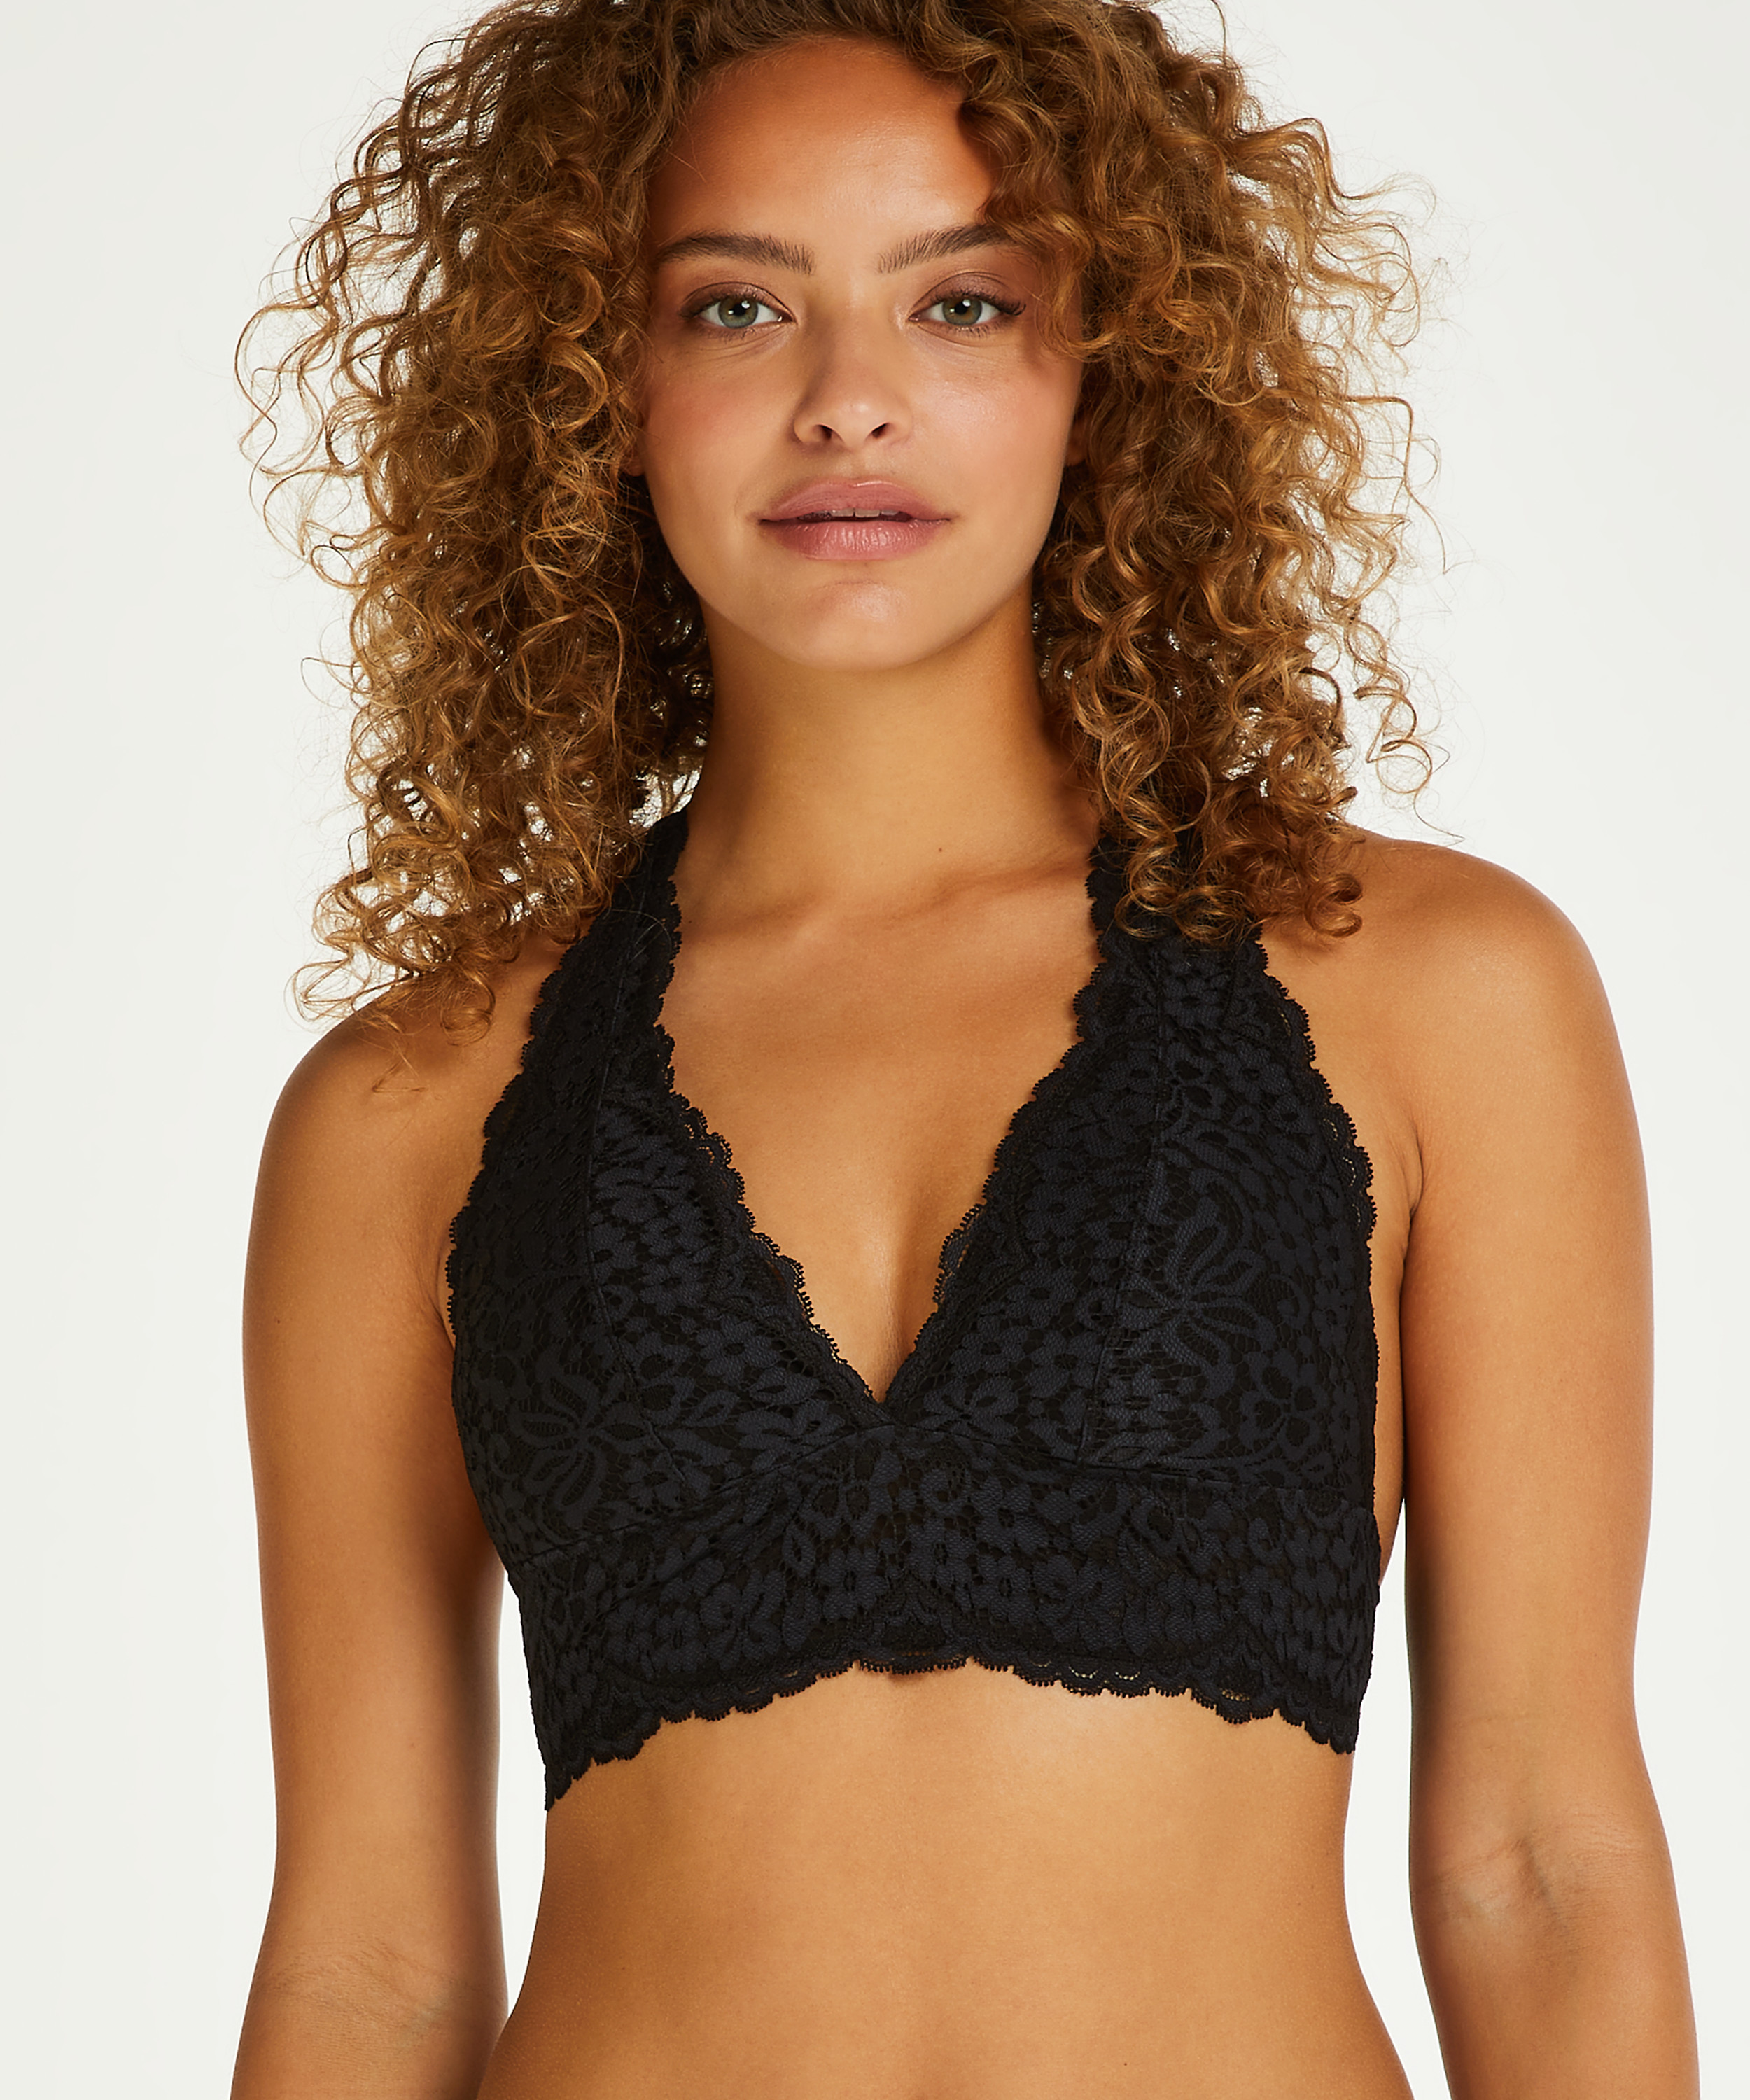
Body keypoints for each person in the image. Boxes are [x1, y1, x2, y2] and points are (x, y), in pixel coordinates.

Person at [230, 1, 1698, 2093]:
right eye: (737, 306)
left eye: (962, 302)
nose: (847, 399)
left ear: (1108, 372)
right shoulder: (410, 1107)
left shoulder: (1433, 991)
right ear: (593, 386)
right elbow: (368, 1967)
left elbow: (1540, 1863)